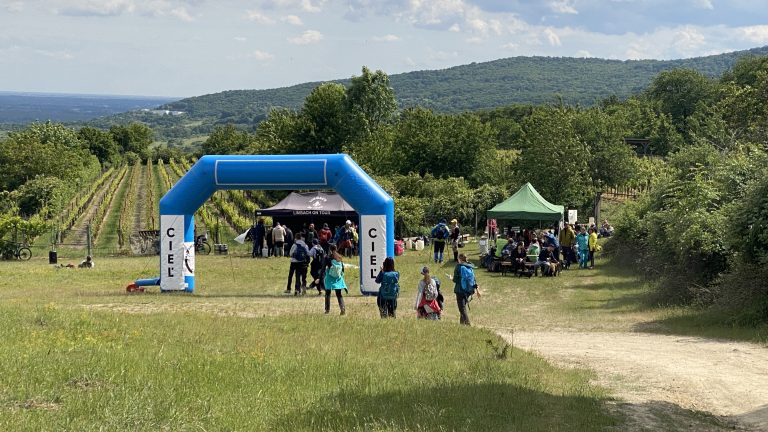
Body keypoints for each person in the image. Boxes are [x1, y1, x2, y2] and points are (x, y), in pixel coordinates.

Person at [452, 253, 480, 325]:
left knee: (462, 309)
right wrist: (477, 290)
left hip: (460, 290)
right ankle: (461, 324)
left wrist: (451, 278)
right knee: (463, 308)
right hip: (468, 290)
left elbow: (455, 280)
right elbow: (473, 278)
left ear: (459, 259)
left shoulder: (458, 267)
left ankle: (468, 325)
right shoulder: (469, 266)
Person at [323, 244, 347, 315]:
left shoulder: (328, 257)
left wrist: (319, 277)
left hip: (329, 277)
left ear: (330, 250)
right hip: (338, 278)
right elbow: (342, 268)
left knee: (327, 294)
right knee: (339, 294)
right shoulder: (339, 257)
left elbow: (323, 268)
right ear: (336, 249)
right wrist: (341, 275)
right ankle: (342, 308)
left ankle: (327, 310)